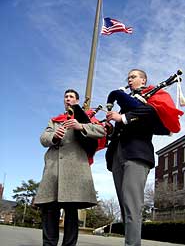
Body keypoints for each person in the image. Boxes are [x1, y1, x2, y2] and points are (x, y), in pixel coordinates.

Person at [105, 69, 172, 246]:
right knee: (124, 205)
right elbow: (124, 125)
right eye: (128, 77)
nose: (129, 79)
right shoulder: (128, 100)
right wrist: (112, 129)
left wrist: (123, 118)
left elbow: (151, 115)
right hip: (118, 153)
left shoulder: (152, 96)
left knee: (132, 205)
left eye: (133, 76)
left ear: (143, 80)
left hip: (136, 154)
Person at [34, 89, 106, 246]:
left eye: (71, 97)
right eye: (66, 97)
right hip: (54, 169)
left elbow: (101, 131)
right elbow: (43, 138)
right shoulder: (54, 120)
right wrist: (54, 136)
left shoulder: (85, 118)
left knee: (71, 212)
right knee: (50, 210)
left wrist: (81, 126)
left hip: (75, 170)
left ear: (77, 101)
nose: (68, 99)